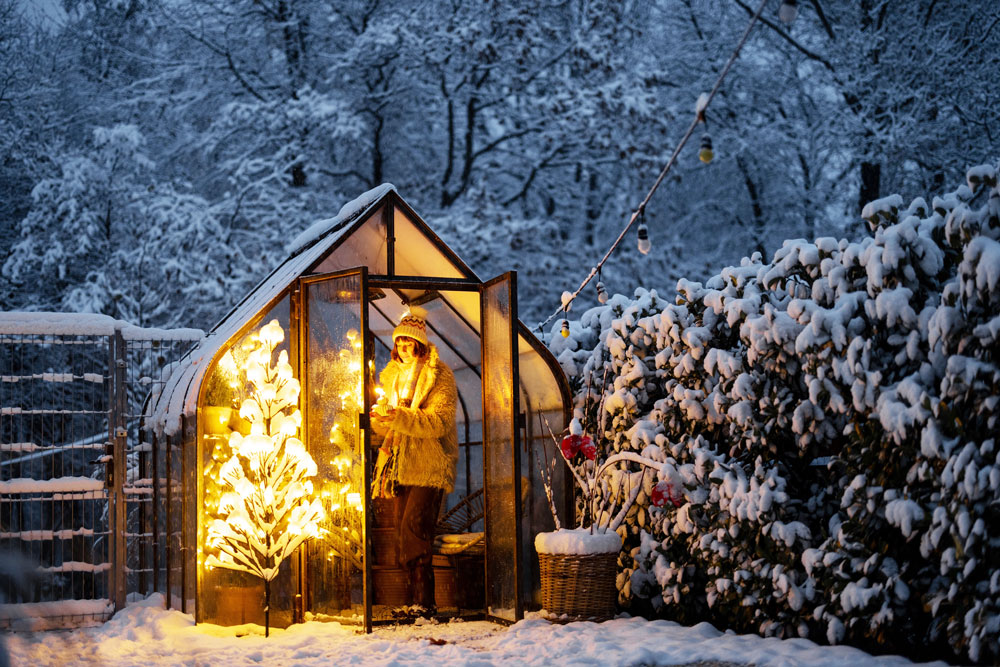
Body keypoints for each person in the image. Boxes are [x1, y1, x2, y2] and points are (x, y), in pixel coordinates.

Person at [370, 306, 458, 615]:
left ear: (420, 343)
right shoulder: (392, 376)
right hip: (398, 465)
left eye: (410, 343)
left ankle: (425, 603)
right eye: (400, 343)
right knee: (401, 535)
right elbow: (391, 426)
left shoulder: (439, 374)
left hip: (428, 465)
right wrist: (381, 418)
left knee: (416, 530)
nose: (404, 349)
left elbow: (439, 421)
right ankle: (413, 602)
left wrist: (400, 416)